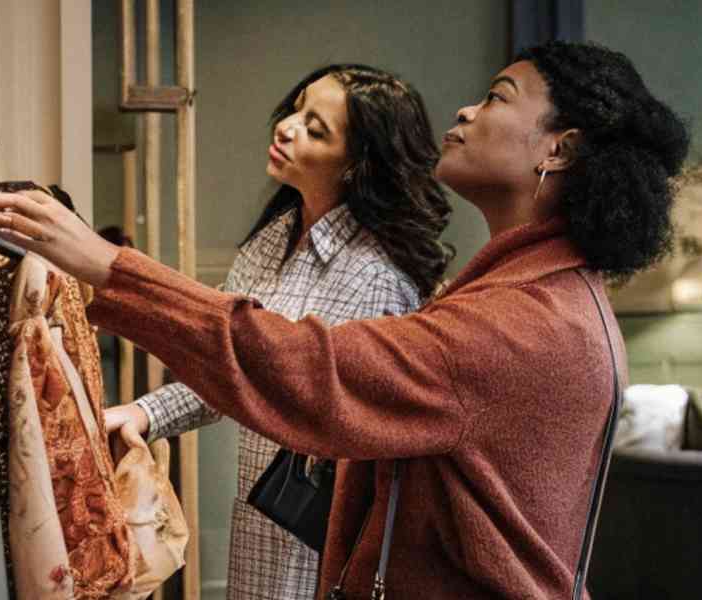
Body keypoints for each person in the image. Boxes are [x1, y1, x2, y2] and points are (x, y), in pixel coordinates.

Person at [0, 41, 688, 599]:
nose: (465, 112)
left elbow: (312, 369)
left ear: (560, 147)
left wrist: (106, 265)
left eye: (498, 97)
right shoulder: (533, 294)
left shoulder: (522, 323)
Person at [105, 64, 454, 600]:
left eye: (317, 130)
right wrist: (147, 413)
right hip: (261, 520)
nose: (287, 127)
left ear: (356, 166)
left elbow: (339, 418)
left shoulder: (378, 278)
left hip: (322, 541)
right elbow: (232, 363)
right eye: (297, 108)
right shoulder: (272, 240)